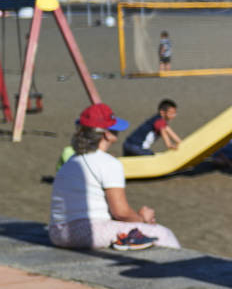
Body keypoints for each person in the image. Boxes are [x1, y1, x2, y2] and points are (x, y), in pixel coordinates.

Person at [49, 104, 181, 252]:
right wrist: (142, 219)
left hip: (57, 232)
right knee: (162, 234)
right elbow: (121, 212)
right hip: (87, 231)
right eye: (115, 129)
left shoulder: (72, 160)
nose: (117, 133)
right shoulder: (108, 163)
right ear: (106, 134)